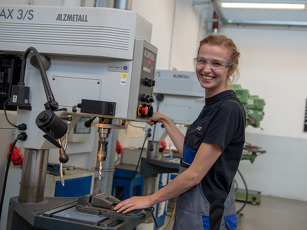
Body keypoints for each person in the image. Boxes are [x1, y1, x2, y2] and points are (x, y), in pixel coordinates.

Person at [114, 34, 246, 230]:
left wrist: (150, 199)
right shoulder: (212, 105)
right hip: (193, 211)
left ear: (231, 69)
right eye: (202, 61)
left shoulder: (228, 109)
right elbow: (190, 155)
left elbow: (194, 174)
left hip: (207, 215)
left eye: (216, 63)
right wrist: (166, 120)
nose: (206, 69)